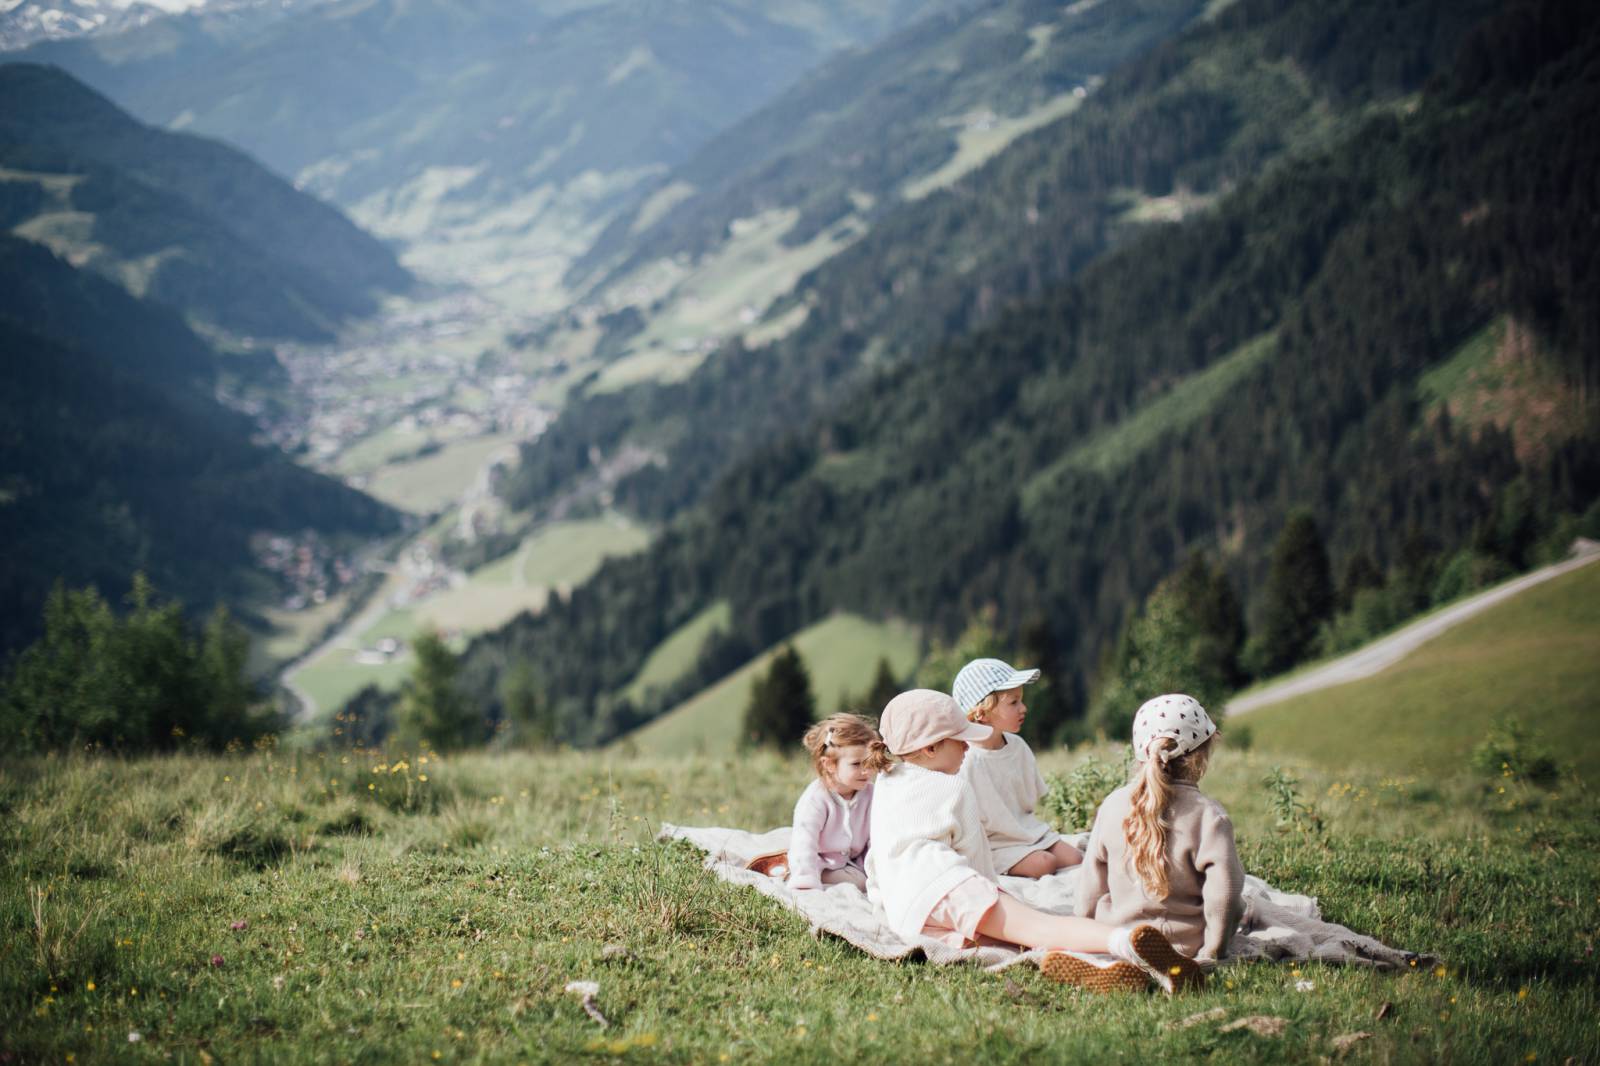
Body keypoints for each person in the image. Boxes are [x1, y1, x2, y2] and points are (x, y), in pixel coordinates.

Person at [867, 689, 1205, 993]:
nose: (968, 747)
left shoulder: (885, 781)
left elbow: (878, 855)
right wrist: (993, 892)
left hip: (910, 912)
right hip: (950, 885)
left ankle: (1099, 967)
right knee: (1038, 926)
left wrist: (885, 900)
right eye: (960, 740)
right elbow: (974, 852)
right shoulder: (954, 787)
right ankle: (1125, 942)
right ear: (930, 748)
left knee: (1004, 942)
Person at [1075, 694, 1245, 967]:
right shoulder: (1209, 817)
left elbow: (1089, 888)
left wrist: (1083, 934)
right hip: (1185, 946)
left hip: (1118, 940)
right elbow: (1224, 896)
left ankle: (1122, 963)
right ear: (1200, 755)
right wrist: (1213, 953)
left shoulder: (1112, 805)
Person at [953, 658, 1082, 878]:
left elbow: (1028, 801)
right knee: (1045, 863)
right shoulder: (967, 761)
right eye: (1013, 703)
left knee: (1075, 858)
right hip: (994, 846)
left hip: (1027, 833)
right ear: (982, 713)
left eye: (1021, 700)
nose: (1024, 708)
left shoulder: (1017, 746)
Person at [786, 713, 886, 890]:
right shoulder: (816, 798)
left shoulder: (871, 794)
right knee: (858, 882)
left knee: (872, 878)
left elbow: (876, 839)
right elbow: (804, 841)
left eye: (869, 762)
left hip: (854, 862)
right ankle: (796, 871)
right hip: (821, 862)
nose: (867, 771)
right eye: (856, 764)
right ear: (829, 765)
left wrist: (877, 868)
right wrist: (805, 877)